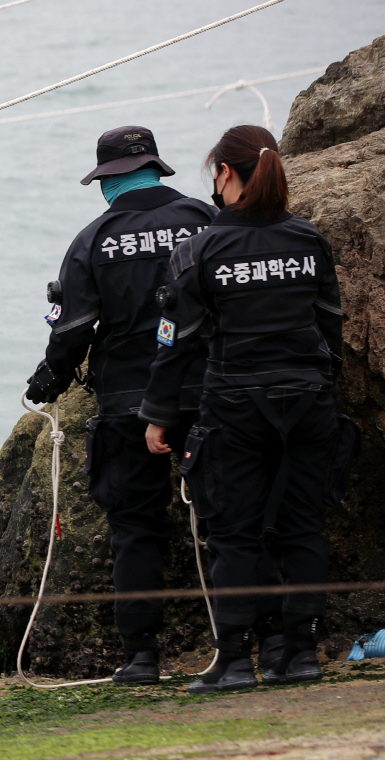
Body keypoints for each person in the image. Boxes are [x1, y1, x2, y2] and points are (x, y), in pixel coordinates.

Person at [140, 125, 342, 693]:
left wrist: (159, 416)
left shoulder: (199, 251)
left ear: (225, 175)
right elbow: (331, 327)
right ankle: (300, 656)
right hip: (309, 403)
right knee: (303, 527)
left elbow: (174, 341)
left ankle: (234, 662)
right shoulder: (309, 240)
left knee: (234, 535)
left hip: (234, 406)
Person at [25, 125, 219, 684]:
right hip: (211, 391)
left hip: (130, 402)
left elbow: (74, 330)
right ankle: (252, 645)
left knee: (135, 527)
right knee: (232, 520)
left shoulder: (94, 239)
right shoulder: (205, 221)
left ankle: (141, 657)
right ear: (157, 168)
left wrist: (49, 380)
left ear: (108, 179)